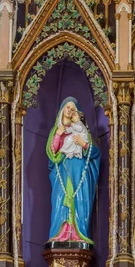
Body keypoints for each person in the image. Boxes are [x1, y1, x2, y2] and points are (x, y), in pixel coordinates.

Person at [46, 97, 101, 244]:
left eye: (72, 108)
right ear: (62, 109)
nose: (69, 111)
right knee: (61, 201)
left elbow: (95, 153)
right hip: (62, 173)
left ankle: (77, 233)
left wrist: (84, 144)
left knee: (79, 200)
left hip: (79, 171)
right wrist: (58, 133)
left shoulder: (82, 129)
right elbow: (52, 154)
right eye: (67, 107)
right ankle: (60, 233)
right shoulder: (57, 131)